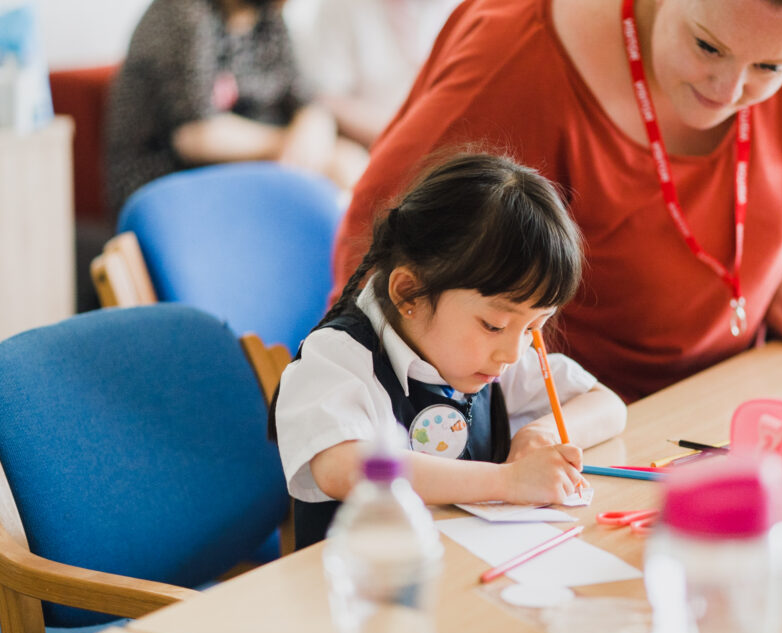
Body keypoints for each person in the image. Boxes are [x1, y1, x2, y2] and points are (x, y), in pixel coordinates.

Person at [332, 0, 782, 404]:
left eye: (770, 68)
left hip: (735, 390)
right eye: (707, 47)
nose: (727, 91)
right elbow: (381, 240)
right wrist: (437, 422)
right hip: (566, 423)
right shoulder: (516, 59)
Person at [273, 152, 628, 548]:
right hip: (355, 590)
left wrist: (538, 433)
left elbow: (608, 405)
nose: (513, 352)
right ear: (409, 293)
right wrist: (507, 481)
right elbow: (343, 468)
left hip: (460, 570)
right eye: (494, 325)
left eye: (534, 327)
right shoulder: (337, 359)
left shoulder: (492, 352)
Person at [105, 0, 368, 213]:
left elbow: (301, 96)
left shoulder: (267, 17)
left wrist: (313, 122)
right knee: (341, 167)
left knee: (351, 162)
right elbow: (195, 135)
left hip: (245, 165)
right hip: (169, 181)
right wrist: (289, 143)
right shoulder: (185, 13)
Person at [284, 0, 461, 148]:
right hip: (372, 145)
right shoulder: (342, 7)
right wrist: (408, 135)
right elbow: (327, 97)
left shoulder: (463, 8)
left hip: (441, 146)